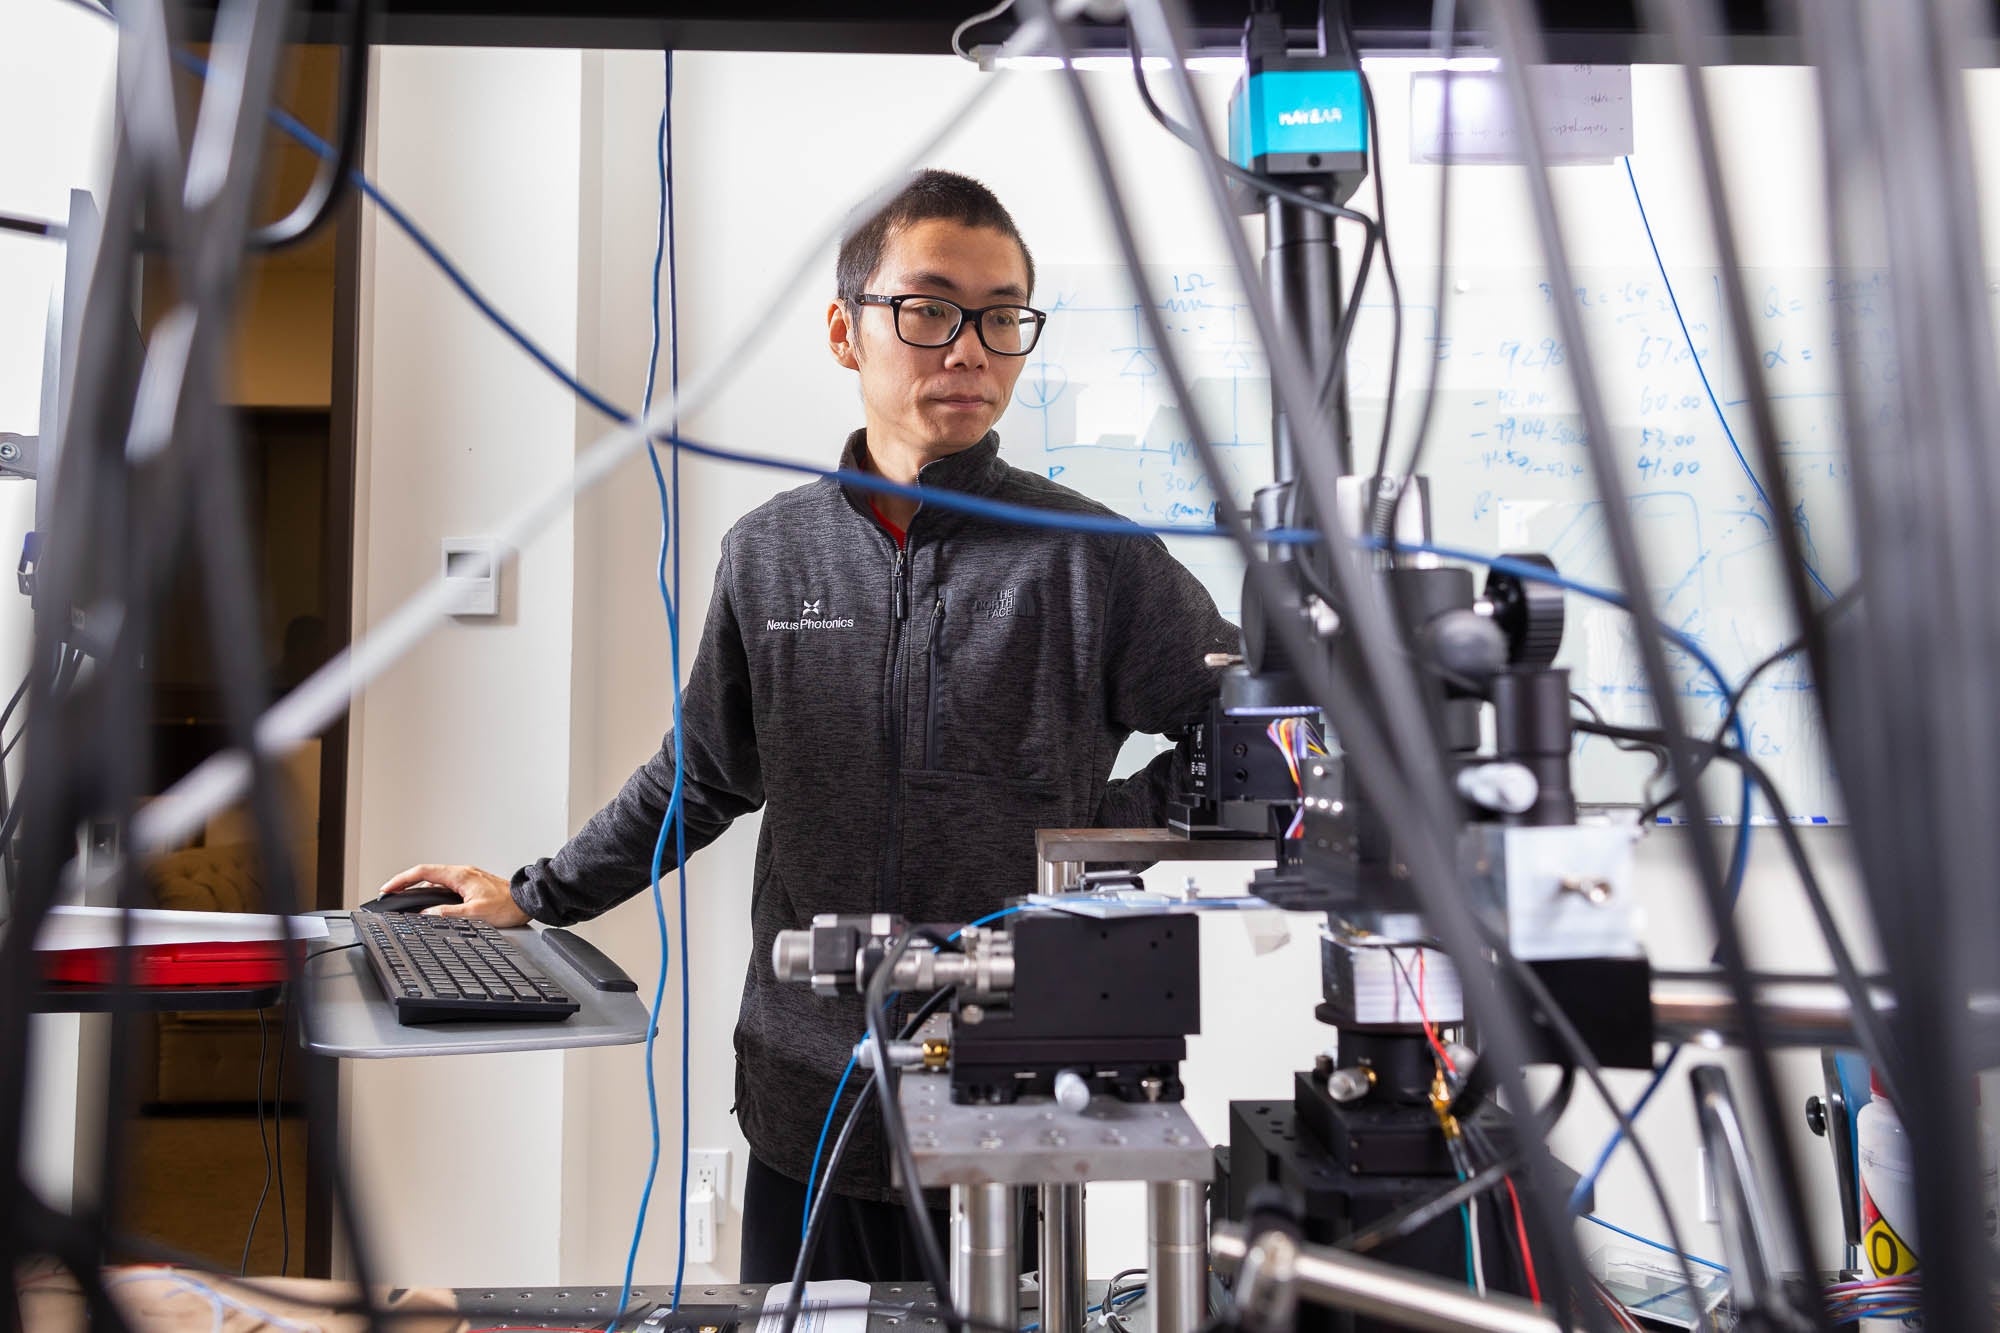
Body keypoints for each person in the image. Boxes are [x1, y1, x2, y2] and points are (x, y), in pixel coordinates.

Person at [376, 170, 1237, 1281]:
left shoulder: (1093, 560)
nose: (968, 348)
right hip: (802, 1085)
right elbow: (701, 775)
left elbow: (1250, 734)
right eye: (927, 309)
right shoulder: (769, 552)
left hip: (1007, 1095)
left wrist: (1091, 823)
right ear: (846, 331)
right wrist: (534, 893)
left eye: (1002, 315)